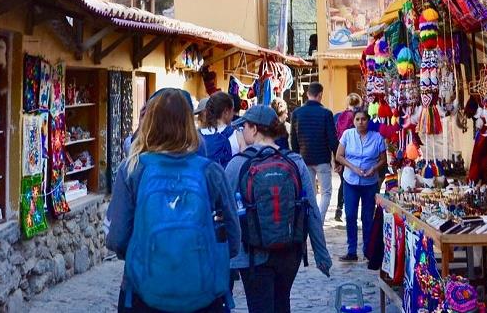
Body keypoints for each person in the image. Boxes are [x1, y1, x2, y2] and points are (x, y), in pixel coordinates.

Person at [107, 88, 239, 313]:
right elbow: (234, 238)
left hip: (142, 293)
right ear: (189, 123)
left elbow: (117, 239)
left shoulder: (132, 169)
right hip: (202, 295)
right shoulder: (211, 172)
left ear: (149, 122)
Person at [226, 105, 331, 313]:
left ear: (254, 129)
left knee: (260, 307)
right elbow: (311, 210)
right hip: (290, 250)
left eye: (244, 126)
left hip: (252, 255)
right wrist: (321, 254)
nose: (242, 131)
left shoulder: (237, 164)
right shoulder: (294, 161)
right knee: (282, 304)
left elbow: (225, 212)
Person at [334, 110, 387, 261]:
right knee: (350, 215)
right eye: (357, 119)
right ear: (354, 121)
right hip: (350, 181)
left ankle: (367, 250)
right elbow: (339, 156)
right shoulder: (347, 135)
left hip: (370, 182)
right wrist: (352, 167)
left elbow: (383, 159)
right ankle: (351, 251)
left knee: (367, 217)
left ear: (368, 121)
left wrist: (374, 168)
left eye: (363, 119)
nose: (360, 122)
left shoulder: (377, 138)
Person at [290, 83, 339, 224]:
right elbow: (332, 138)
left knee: (310, 193)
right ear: (320, 95)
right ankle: (319, 220)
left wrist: (296, 158)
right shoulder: (326, 113)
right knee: (326, 193)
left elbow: (293, 139)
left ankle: (312, 220)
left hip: (304, 159)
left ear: (307, 94)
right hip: (322, 159)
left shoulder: (297, 113)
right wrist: (337, 159)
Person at [332, 93, 363, 222]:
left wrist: (336, 160)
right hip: (355, 155)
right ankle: (353, 211)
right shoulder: (360, 117)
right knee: (356, 183)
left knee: (344, 182)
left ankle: (339, 209)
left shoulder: (338, 117)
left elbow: (334, 139)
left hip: (341, 154)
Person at [197, 92, 246, 167]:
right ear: (226, 112)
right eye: (232, 110)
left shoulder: (197, 136)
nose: (233, 114)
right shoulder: (238, 136)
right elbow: (242, 167)